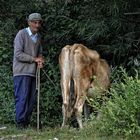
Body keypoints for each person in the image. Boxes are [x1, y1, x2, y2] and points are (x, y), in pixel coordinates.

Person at [13, 13, 44, 129]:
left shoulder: (38, 37)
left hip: (33, 72)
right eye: (35, 22)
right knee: (22, 97)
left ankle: (26, 122)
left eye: (39, 23)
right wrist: (34, 59)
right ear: (29, 22)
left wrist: (40, 60)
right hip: (21, 72)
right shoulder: (21, 34)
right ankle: (20, 123)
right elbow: (18, 54)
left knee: (31, 99)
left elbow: (39, 53)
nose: (37, 25)